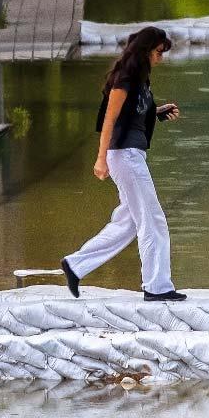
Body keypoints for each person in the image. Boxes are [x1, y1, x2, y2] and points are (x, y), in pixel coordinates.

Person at [61, 26, 186, 302]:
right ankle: (157, 287)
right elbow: (109, 119)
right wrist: (100, 158)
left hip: (133, 155)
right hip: (125, 157)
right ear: (145, 51)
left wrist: (158, 112)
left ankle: (75, 265)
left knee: (127, 223)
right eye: (158, 52)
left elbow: (135, 114)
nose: (160, 58)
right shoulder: (124, 79)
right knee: (153, 221)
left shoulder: (141, 79)